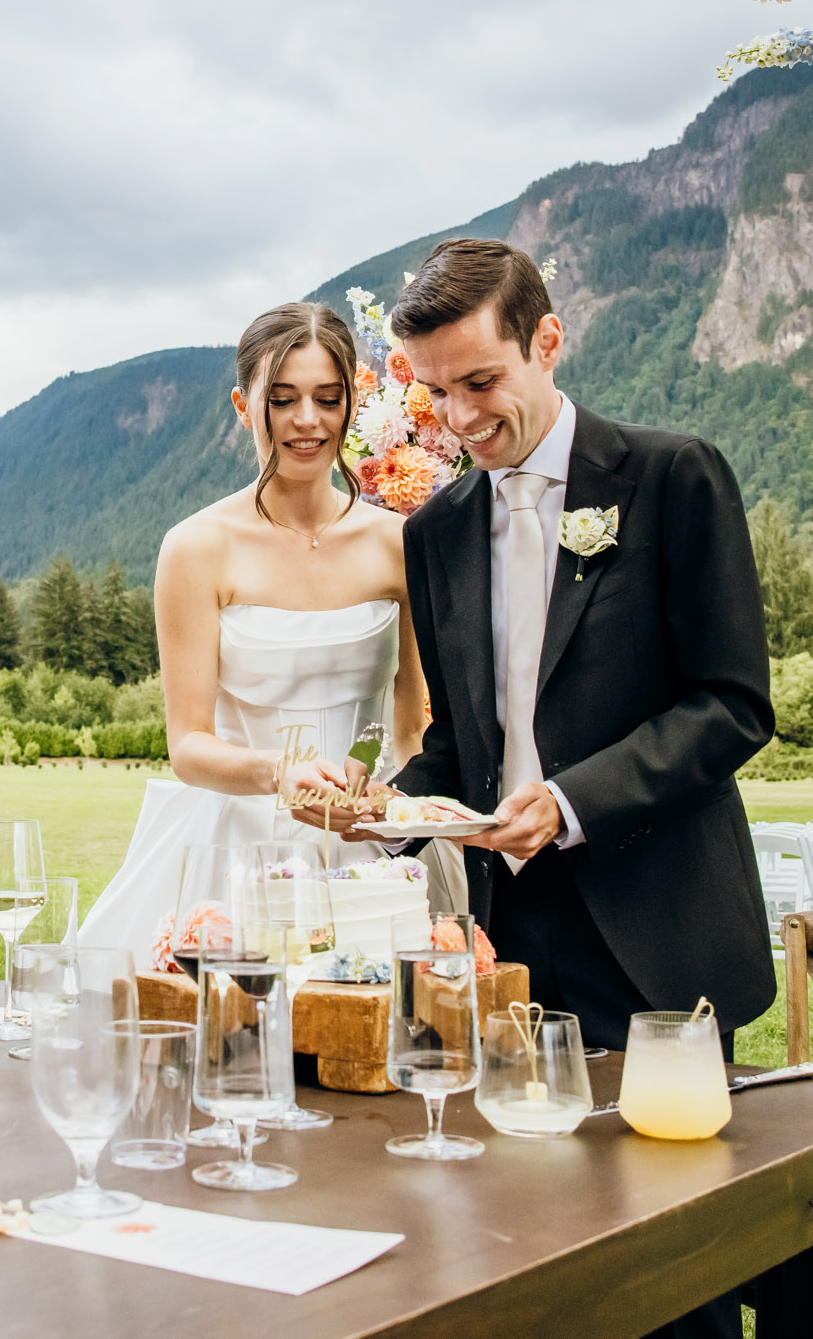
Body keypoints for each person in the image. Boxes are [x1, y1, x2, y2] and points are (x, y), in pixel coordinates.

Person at [364, 238, 771, 1339]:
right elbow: (460, 740)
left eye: (480, 384)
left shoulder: (673, 476)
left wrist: (574, 800)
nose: (457, 418)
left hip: (658, 933)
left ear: (547, 342)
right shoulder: (436, 528)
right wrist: (387, 813)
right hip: (511, 946)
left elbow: (732, 703)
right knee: (523, 1253)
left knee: (677, 1268)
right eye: (435, 393)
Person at [75, 301, 428, 964]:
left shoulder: (400, 543)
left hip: (372, 846)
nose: (307, 420)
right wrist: (280, 773)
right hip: (234, 845)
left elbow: (408, 730)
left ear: (353, 402)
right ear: (244, 405)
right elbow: (189, 745)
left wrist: (393, 805)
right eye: (283, 399)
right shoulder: (196, 549)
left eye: (328, 398)